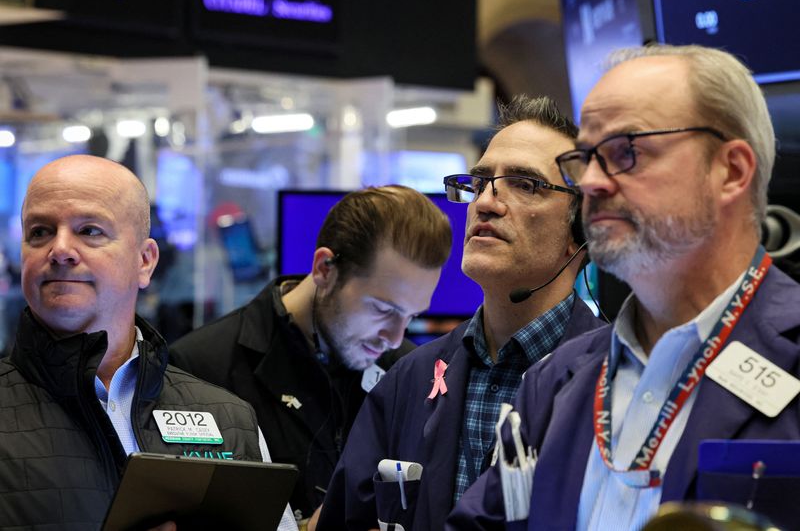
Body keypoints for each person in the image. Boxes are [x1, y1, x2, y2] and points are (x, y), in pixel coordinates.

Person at [449, 45, 800, 530]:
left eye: (625, 152)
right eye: (587, 158)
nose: (591, 182)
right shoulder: (554, 382)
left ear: (731, 171)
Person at [316, 95, 606, 531]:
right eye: (481, 181)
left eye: (525, 184)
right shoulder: (407, 381)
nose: (486, 203)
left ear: (581, 229)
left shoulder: (616, 377)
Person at [0, 154, 296, 530]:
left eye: (90, 230)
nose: (59, 250)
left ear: (145, 261)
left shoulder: (229, 418)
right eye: (39, 231)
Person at [170, 185, 452, 525]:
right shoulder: (198, 369)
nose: (394, 338)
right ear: (324, 269)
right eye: (382, 309)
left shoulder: (405, 372)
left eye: (412, 316)